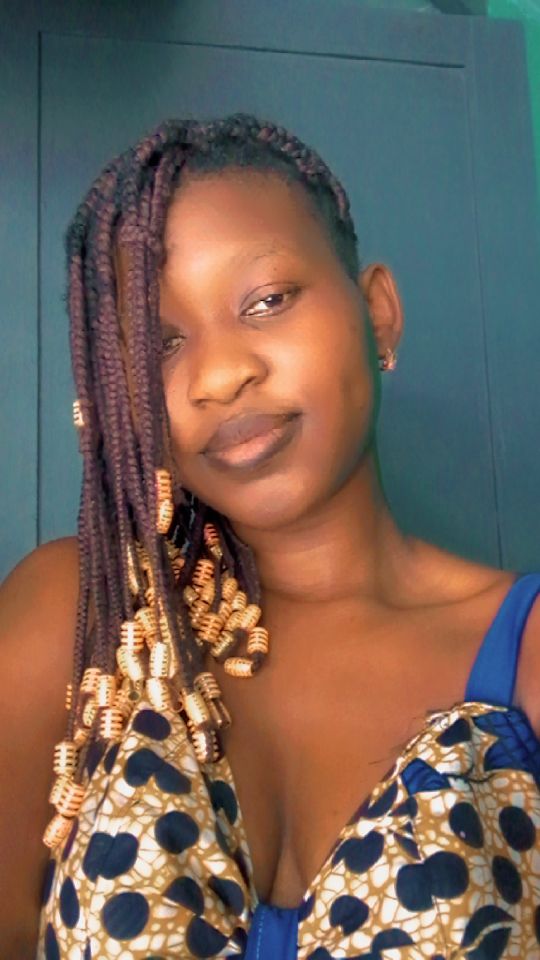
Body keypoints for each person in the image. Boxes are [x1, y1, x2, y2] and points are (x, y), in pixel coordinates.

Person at [1, 113, 539, 960]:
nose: (219, 376)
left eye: (267, 301)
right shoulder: (80, 619)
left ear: (379, 313)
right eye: (160, 344)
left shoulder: (526, 652)